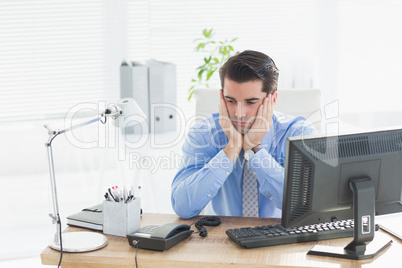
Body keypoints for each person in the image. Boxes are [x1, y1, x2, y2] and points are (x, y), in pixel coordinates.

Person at [171, 50, 317, 219]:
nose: (239, 113)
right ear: (221, 97)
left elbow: (303, 205)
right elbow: (182, 207)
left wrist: (255, 149)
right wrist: (230, 150)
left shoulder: (298, 132)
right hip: (221, 239)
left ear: (272, 99)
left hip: (280, 239)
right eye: (231, 100)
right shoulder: (203, 134)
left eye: (251, 102)